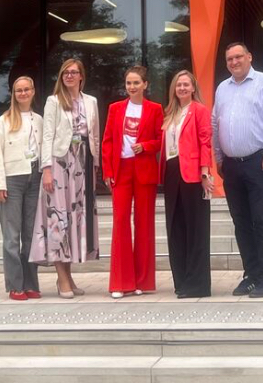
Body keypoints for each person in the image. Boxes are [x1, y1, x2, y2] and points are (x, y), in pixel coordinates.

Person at [212, 42, 263, 299]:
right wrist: (219, 157)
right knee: (241, 222)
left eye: (238, 57)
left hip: (260, 161)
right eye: (229, 59)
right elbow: (215, 123)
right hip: (232, 165)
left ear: (249, 56)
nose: (234, 62)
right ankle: (251, 274)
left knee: (262, 220)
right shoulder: (223, 88)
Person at [30, 58, 100, 298]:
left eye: (74, 72)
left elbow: (95, 135)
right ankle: (61, 279)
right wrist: (46, 168)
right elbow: (47, 136)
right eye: (65, 73)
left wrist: (96, 165)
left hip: (83, 164)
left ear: (81, 76)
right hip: (60, 164)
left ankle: (68, 276)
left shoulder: (91, 102)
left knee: (74, 221)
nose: (69, 76)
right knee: (59, 219)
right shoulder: (54, 102)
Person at [101, 65, 163, 298]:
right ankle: (120, 282)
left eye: (136, 82)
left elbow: (160, 139)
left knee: (144, 224)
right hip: (122, 170)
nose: (132, 87)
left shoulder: (155, 109)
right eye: (129, 83)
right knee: (120, 223)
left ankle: (143, 282)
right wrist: (107, 170)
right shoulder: (115, 109)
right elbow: (107, 141)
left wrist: (145, 146)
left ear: (145, 85)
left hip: (144, 170)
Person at [160, 69, 214, 298]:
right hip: (171, 173)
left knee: (196, 229)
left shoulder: (199, 110)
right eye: (178, 85)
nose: (182, 88)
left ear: (193, 88)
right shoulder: (170, 113)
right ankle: (180, 281)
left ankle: (197, 284)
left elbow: (205, 141)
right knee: (175, 228)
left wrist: (205, 173)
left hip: (192, 174)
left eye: (186, 84)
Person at [0, 75, 43, 300]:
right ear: (13, 94)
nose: (22, 93)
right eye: (18, 90)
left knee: (31, 234)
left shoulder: (39, 119)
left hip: (35, 177)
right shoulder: (4, 121)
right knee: (12, 236)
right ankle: (15, 284)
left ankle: (31, 282)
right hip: (12, 180)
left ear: (33, 91)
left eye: (26, 89)